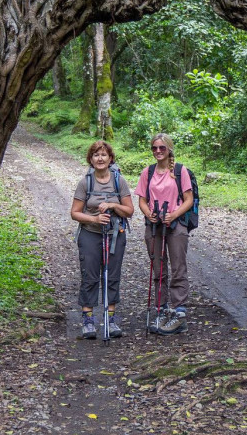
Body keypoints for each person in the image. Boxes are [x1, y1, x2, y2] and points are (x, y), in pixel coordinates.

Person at [70, 140, 134, 340]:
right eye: (96, 155)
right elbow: (74, 213)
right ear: (91, 159)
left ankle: (110, 318)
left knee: (112, 275)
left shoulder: (119, 181)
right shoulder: (85, 182)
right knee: (90, 275)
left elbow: (130, 210)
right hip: (90, 233)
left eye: (104, 155)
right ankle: (88, 320)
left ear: (110, 158)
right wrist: (95, 219)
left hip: (115, 234)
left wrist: (113, 206)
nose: (100, 158)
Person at [135, 133, 195, 335]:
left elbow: (188, 199)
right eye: (154, 148)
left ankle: (179, 314)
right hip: (154, 225)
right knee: (158, 268)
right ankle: (160, 310)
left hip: (176, 225)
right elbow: (142, 200)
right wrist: (148, 214)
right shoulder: (148, 172)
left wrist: (174, 214)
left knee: (178, 267)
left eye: (162, 148)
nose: (158, 151)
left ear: (169, 149)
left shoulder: (180, 171)